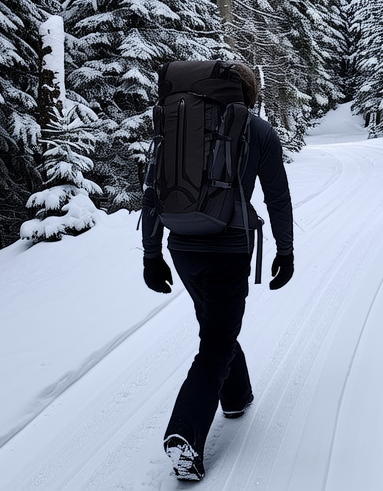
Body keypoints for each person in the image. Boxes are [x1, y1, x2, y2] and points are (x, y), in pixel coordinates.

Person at [140, 61, 295, 482]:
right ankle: (185, 435)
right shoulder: (258, 131)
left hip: (182, 247)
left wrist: (151, 255)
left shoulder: (178, 126)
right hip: (228, 247)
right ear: (248, 95)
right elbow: (277, 198)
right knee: (216, 341)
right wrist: (286, 251)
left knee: (216, 328)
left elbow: (153, 193)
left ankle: (236, 396)